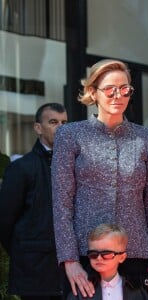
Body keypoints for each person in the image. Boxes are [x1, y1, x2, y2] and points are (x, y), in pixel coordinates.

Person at [51, 59, 148, 300]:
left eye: (125, 88)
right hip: (87, 258)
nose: (118, 95)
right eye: (110, 89)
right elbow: (61, 204)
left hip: (136, 256)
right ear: (93, 92)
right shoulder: (70, 135)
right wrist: (70, 260)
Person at [0, 103, 68, 300]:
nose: (61, 127)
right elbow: (4, 221)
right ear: (38, 128)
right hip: (34, 273)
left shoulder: (75, 165)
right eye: (53, 122)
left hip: (71, 273)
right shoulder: (21, 168)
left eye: (64, 122)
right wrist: (26, 253)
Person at [67, 223, 148, 300]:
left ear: (121, 257)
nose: (99, 258)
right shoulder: (81, 290)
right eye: (93, 254)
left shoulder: (136, 289)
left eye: (106, 253)